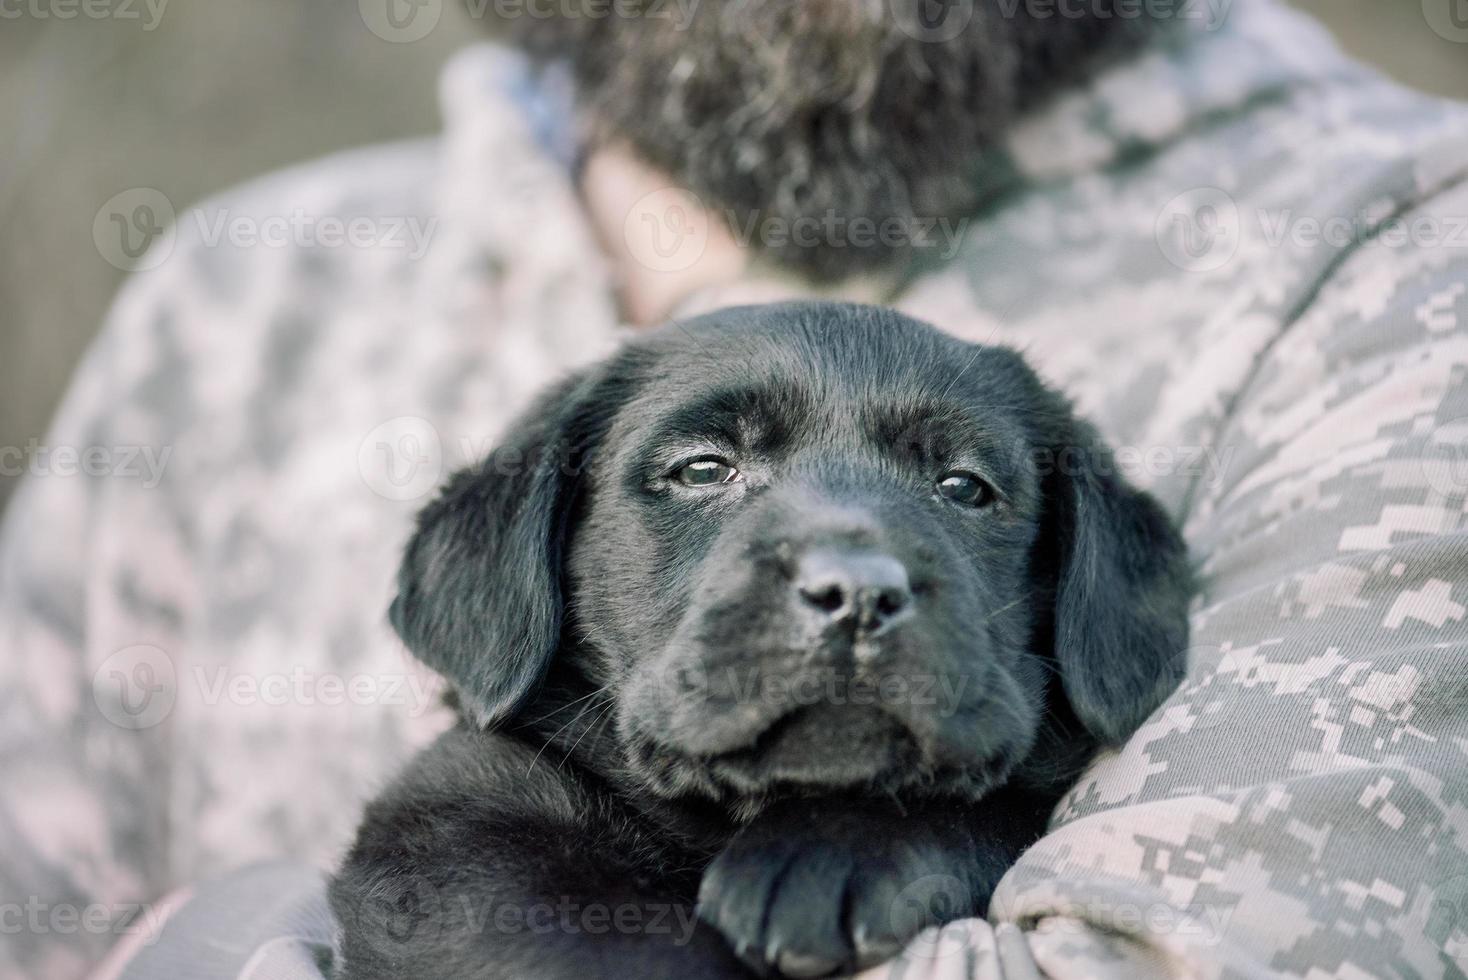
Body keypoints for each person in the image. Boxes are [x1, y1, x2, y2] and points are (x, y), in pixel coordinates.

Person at [4, 0, 1468, 976]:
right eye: (702, 466)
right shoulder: (250, 286)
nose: (847, 568)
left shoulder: (1409, 257)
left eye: (965, 488)